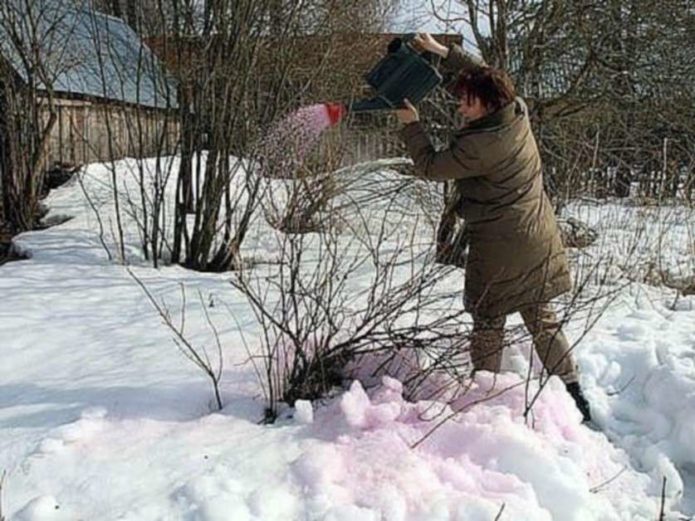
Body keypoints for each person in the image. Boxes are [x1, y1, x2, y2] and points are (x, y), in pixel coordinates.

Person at [396, 33, 592, 422]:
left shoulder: (481, 146)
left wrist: (411, 125)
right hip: (538, 234)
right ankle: (574, 394)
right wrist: (442, 51)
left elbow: (432, 166)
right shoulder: (514, 110)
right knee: (540, 314)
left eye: (468, 101)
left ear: (488, 103)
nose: (460, 107)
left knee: (488, 318)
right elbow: (482, 74)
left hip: (501, 244)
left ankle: (485, 395)